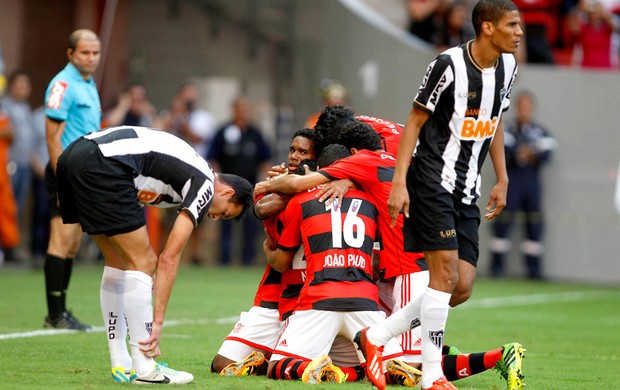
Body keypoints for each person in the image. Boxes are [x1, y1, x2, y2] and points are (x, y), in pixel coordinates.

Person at [355, 1, 524, 389]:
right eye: (511, 25)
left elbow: (495, 120)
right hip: (431, 180)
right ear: (486, 27)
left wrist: (502, 177)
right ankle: (431, 376)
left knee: (460, 286)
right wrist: (399, 182)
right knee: (443, 273)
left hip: (468, 188)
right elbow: (415, 121)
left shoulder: (509, 68)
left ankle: (377, 337)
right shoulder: (448, 65)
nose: (518, 33)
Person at [55, 125, 252, 384]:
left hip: (74, 157)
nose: (214, 218)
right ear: (227, 192)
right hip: (104, 163)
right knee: (144, 260)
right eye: (224, 212)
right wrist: (157, 323)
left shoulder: (186, 171)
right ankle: (145, 368)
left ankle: (122, 363)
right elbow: (168, 257)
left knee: (118, 260)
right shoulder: (205, 183)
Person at [262, 145, 415, 386]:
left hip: (318, 299)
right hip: (365, 302)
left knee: (277, 366)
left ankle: (322, 369)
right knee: (388, 368)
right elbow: (375, 263)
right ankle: (377, 367)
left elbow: (282, 263)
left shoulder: (301, 200)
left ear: (322, 169)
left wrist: (267, 251)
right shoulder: (372, 200)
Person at [211, 128, 317, 376]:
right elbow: (261, 207)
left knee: (287, 367)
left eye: (302, 152)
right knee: (222, 364)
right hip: (274, 290)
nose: (294, 156)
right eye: (292, 149)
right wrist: (285, 184)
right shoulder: (278, 184)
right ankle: (270, 359)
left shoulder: (323, 187)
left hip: (311, 295)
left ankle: (277, 359)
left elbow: (279, 258)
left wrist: (303, 183)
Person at [43, 29, 102, 330]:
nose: (91, 58)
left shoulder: (89, 84)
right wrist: (60, 177)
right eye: (84, 53)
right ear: (70, 54)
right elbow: (52, 136)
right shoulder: (62, 84)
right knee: (60, 239)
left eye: (95, 53)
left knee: (72, 245)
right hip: (64, 172)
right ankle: (55, 314)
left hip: (83, 175)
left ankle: (62, 312)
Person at [490, 91, 556, 279]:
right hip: (511, 182)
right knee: (502, 224)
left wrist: (528, 152)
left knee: (534, 225)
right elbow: (506, 148)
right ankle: (496, 268)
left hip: (531, 184)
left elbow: (548, 151)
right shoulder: (508, 129)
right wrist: (526, 152)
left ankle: (534, 272)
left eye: (527, 107)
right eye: (521, 106)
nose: (524, 110)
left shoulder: (540, 131)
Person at [207, 96, 272, 266]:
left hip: (249, 188)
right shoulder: (223, 131)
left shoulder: (255, 134)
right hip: (226, 189)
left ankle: (247, 259)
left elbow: (265, 160)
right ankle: (225, 258)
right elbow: (213, 158)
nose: (243, 112)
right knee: (225, 220)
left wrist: (269, 183)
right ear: (234, 110)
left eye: (246, 109)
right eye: (240, 108)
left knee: (249, 223)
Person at [3, 70, 35, 220]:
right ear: (12, 86)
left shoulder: (26, 107)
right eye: (19, 84)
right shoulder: (4, 105)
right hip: (9, 164)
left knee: (17, 209)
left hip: (24, 165)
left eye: (26, 85)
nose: (23, 88)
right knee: (4, 207)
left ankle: (10, 242)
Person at [0, 105, 20, 263]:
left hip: (3, 172)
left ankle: (9, 247)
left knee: (7, 210)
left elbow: (12, 135)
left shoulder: (4, 112)